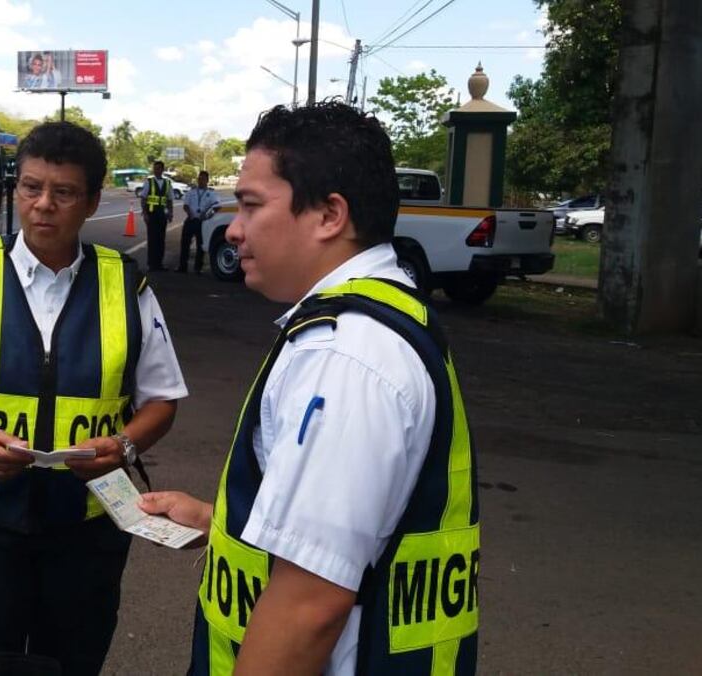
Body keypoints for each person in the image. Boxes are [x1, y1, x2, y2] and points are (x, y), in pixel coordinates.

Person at [139, 102, 481, 675]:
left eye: (251, 205)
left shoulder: (344, 356)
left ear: (329, 215)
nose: (235, 229)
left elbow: (309, 607)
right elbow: (348, 531)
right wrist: (217, 523)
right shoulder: (380, 317)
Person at [0, 121, 188, 676]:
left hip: (88, 530)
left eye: (63, 192)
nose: (43, 205)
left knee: (72, 663)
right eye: (31, 188)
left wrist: (125, 445)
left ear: (92, 202)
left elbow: (163, 400)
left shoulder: (127, 285)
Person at [177, 170, 220, 273]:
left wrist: (207, 215)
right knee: (185, 243)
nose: (200, 181)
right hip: (191, 220)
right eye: (199, 179)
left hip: (203, 221)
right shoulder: (191, 192)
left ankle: (198, 268)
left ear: (207, 180)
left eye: (203, 179)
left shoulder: (211, 193)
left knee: (200, 245)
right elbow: (185, 205)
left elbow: (217, 207)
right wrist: (190, 214)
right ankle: (182, 267)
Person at [138, 160, 174, 271]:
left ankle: (159, 264)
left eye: (158, 168)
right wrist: (144, 213)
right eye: (155, 168)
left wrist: (170, 213)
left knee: (161, 240)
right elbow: (143, 198)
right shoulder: (149, 182)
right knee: (152, 239)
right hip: (152, 214)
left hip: (162, 215)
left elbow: (169, 200)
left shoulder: (168, 183)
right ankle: (151, 264)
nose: (156, 170)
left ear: (162, 170)